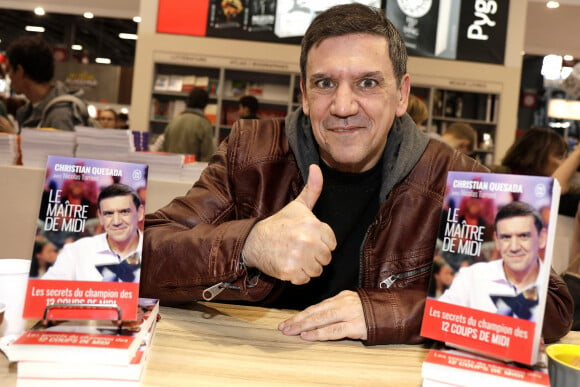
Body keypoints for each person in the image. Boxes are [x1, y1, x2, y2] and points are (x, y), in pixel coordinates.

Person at [141, 4, 572, 345]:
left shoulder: (453, 178)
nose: (344, 106)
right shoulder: (250, 153)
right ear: (305, 95)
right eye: (325, 84)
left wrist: (386, 312)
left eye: (368, 83)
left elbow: (549, 307)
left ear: (401, 94)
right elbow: (140, 255)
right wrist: (248, 244)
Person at [438, 201, 548, 321]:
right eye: (506, 237)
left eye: (523, 236)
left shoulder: (553, 289)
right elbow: (437, 319)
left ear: (541, 238)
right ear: (497, 240)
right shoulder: (470, 276)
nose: (514, 247)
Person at [43, 183, 144, 282]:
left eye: (124, 212)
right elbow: (44, 292)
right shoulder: (75, 251)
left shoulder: (156, 255)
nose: (116, 221)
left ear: (140, 213)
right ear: (100, 217)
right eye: (109, 213)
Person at [5, 36, 89, 132]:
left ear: (20, 71)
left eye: (10, 70)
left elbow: (61, 147)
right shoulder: (31, 110)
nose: (9, 76)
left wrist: (13, 138)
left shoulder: (60, 115)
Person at [159, 87, 215, 161]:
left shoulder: (174, 121)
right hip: (192, 170)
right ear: (205, 104)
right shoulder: (204, 124)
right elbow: (207, 157)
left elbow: (163, 150)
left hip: (171, 169)